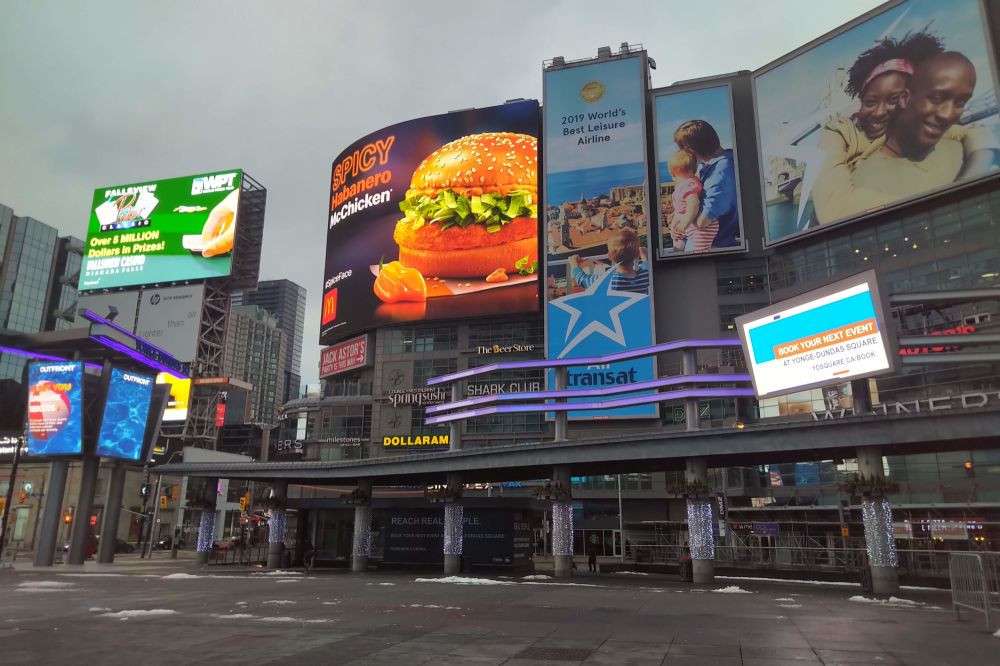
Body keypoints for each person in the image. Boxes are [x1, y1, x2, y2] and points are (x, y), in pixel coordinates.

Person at [813, 36, 997, 224]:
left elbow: (971, 132)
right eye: (870, 102)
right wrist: (942, 211)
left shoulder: (923, 132)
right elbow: (835, 208)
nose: (879, 112)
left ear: (907, 99)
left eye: (893, 100)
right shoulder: (838, 133)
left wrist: (968, 180)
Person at [852, 51, 986, 199]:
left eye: (960, 102)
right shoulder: (864, 182)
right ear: (905, 98)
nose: (947, 114)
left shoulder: (963, 150)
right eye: (936, 98)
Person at [673, 120, 740, 249]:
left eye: (682, 149)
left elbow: (703, 221)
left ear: (690, 148)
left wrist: (679, 220)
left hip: (712, 248)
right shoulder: (708, 165)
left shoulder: (721, 170)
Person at [567, 228, 649, 294]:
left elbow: (582, 280)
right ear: (637, 255)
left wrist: (574, 263)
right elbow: (647, 267)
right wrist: (644, 256)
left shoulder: (607, 280)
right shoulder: (645, 277)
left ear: (609, 256)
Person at [666, 150, 717, 253]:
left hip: (700, 229)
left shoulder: (688, 185)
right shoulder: (686, 184)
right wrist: (673, 227)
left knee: (698, 253)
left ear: (673, 174)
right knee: (677, 245)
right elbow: (680, 209)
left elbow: (694, 204)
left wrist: (685, 223)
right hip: (689, 226)